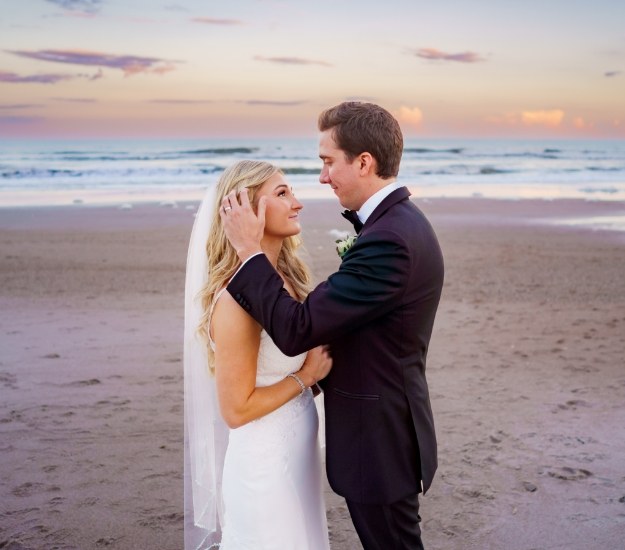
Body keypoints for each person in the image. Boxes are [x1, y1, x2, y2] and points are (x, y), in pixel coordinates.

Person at [219, 102, 445, 549]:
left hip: (379, 444)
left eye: (327, 162)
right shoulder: (395, 226)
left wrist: (248, 252)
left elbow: (299, 329)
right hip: (379, 436)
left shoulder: (389, 240)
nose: (321, 179)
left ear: (364, 162)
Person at [183, 160, 332, 549]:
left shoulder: (288, 280)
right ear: (245, 210)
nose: (297, 203)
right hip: (266, 468)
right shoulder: (236, 300)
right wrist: (306, 377)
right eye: (282, 194)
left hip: (299, 456)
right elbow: (236, 410)